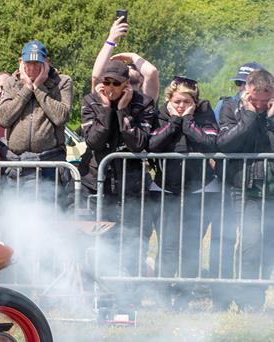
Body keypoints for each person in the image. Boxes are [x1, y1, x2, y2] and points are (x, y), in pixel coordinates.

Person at [79, 60, 156, 277]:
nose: (111, 88)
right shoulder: (90, 101)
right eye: (107, 82)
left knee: (134, 240)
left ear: (126, 85)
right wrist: (105, 109)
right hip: (97, 184)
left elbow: (138, 143)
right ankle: (98, 289)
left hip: (131, 185)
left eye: (116, 83)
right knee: (100, 242)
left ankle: (131, 290)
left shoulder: (144, 103)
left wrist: (123, 112)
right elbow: (93, 141)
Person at [148, 76, 219, 305]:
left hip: (199, 190)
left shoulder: (204, 113)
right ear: (169, 100)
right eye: (177, 101)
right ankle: (162, 296)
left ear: (195, 102)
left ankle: (185, 296)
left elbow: (209, 144)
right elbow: (153, 145)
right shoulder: (161, 114)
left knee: (190, 245)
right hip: (165, 189)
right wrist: (175, 122)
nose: (181, 105)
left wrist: (188, 119)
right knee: (167, 245)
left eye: (187, 101)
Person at [216, 68, 274, 311]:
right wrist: (251, 115)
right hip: (245, 187)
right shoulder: (231, 108)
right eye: (255, 100)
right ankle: (246, 300)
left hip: (271, 189)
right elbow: (226, 143)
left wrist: (270, 120)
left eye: (265, 101)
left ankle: (256, 298)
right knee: (251, 243)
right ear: (247, 90)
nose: (259, 105)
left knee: (268, 244)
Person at [0, 40, 73, 194]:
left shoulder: (63, 82)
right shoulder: (11, 83)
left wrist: (38, 88)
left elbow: (61, 117)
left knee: (51, 212)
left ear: (47, 63)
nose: (32, 68)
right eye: (28, 63)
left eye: (37, 63)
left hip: (49, 163)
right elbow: (2, 119)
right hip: (17, 164)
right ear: (20, 63)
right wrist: (26, 89)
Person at [92, 16, 160, 103]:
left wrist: (133, 56)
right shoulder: (108, 95)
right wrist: (111, 39)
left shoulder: (145, 100)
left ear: (141, 79)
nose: (127, 68)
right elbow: (96, 77)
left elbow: (151, 72)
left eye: (132, 66)